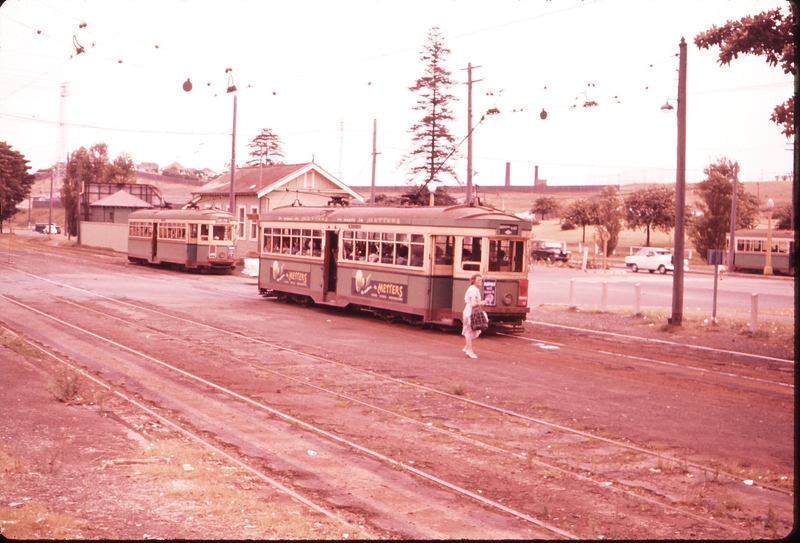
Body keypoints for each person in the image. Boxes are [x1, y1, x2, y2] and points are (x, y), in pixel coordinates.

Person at [462, 273, 486, 359]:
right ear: (473, 281)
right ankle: (470, 350)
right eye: (478, 280)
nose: (480, 282)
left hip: (469, 311)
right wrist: (482, 303)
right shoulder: (473, 290)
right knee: (470, 330)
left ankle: (467, 347)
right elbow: (473, 303)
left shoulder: (473, 289)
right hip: (471, 312)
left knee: (469, 329)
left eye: (481, 280)